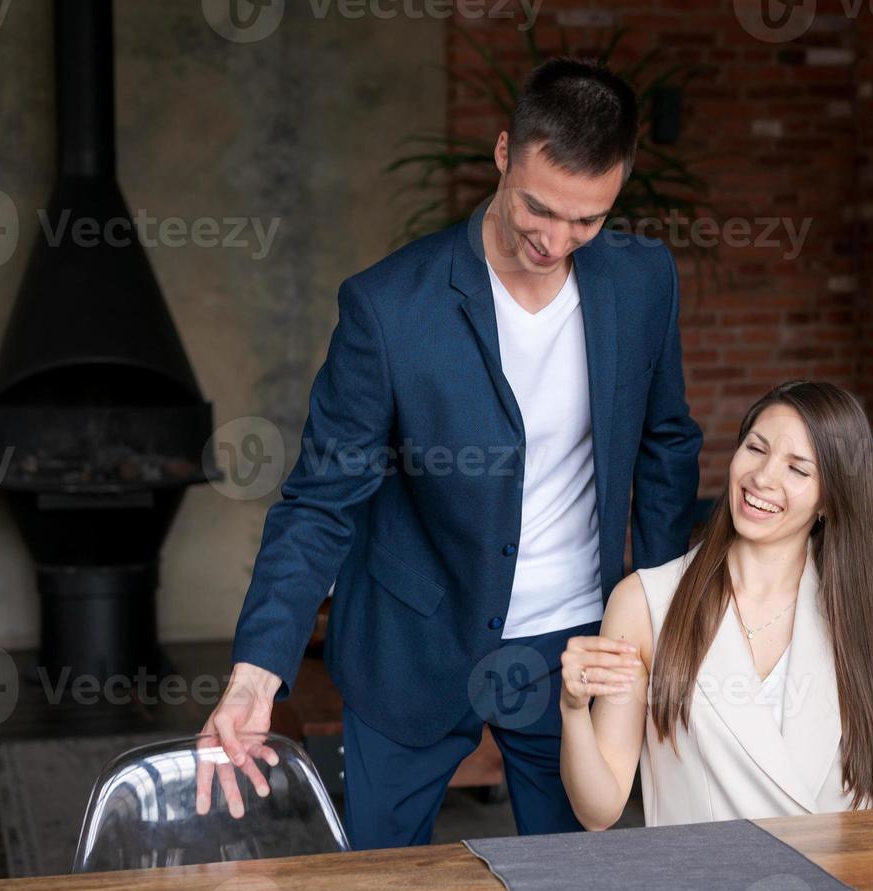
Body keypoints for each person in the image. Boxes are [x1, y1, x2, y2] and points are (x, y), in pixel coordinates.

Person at [195, 57, 703, 849]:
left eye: (587, 221)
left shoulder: (643, 282)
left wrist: (664, 616)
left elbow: (667, 443)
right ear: (504, 153)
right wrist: (255, 674)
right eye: (539, 207)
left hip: (573, 643)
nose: (556, 239)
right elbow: (322, 500)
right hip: (412, 642)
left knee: (573, 888)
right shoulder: (390, 308)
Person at [558, 381, 873, 828]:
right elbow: (599, 810)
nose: (763, 478)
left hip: (842, 887)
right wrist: (573, 712)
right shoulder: (643, 603)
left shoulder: (871, 611)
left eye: (798, 469)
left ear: (830, 497)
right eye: (756, 448)